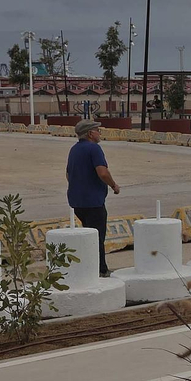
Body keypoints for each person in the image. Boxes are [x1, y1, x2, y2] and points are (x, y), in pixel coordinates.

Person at [66, 118, 120, 276]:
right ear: (90, 133)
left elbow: (68, 174)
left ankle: (89, 267)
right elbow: (102, 172)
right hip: (93, 202)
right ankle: (100, 270)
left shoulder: (74, 149)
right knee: (97, 237)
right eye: (98, 130)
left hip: (77, 202)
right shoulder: (94, 149)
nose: (100, 133)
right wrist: (113, 186)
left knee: (88, 235)